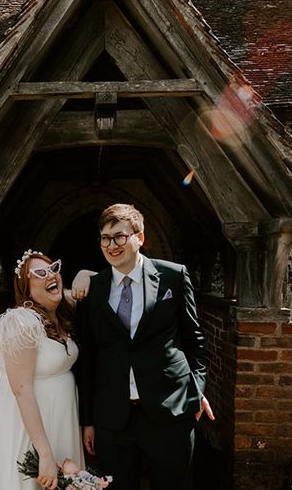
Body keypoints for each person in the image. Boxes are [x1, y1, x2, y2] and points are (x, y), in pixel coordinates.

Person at [77, 204, 214, 490]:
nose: (111, 245)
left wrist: (196, 391)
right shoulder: (94, 289)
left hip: (170, 413)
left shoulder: (173, 277)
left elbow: (194, 341)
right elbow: (88, 357)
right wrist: (88, 420)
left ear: (139, 237)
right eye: (105, 238)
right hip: (113, 419)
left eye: (119, 236)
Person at [0, 250, 89, 490]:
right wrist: (45, 453)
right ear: (26, 289)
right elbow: (22, 390)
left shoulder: (59, 312)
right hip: (29, 427)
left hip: (60, 419)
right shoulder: (21, 322)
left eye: (54, 269)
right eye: (40, 273)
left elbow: (104, 280)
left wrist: (84, 275)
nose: (50, 275)